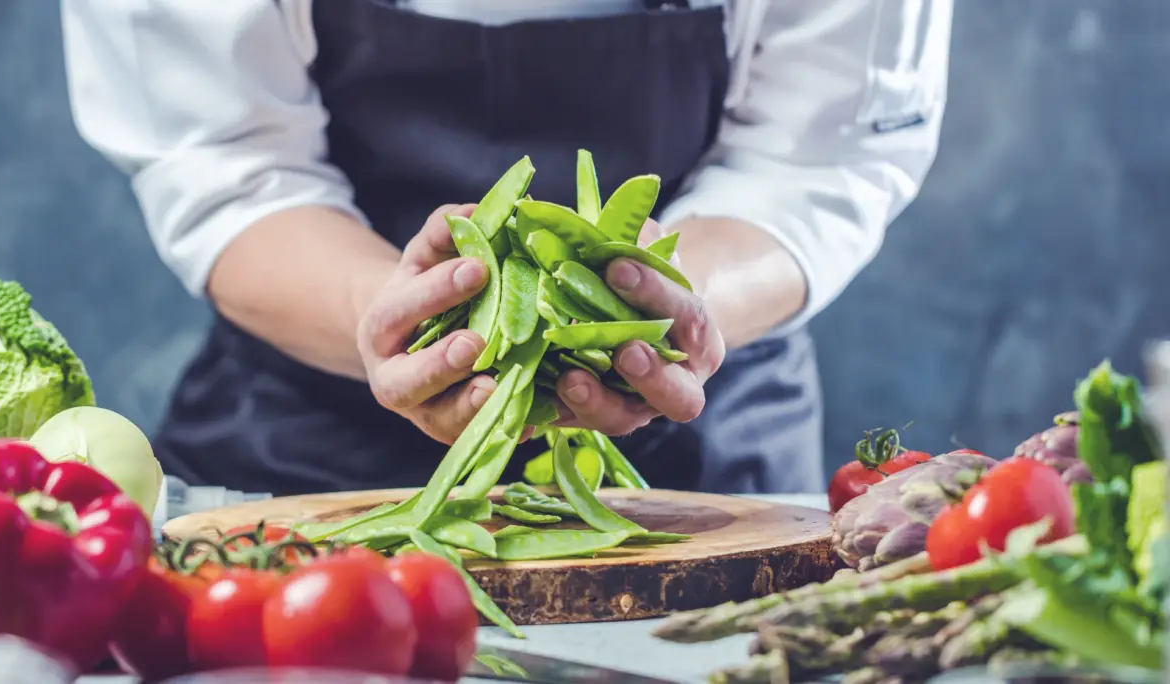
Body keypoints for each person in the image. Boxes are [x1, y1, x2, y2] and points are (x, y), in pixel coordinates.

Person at [60, 0, 951, 497]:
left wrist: (680, 296)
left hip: (698, 451)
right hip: (302, 454)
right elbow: (225, 160)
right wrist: (387, 316)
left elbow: (820, 158)